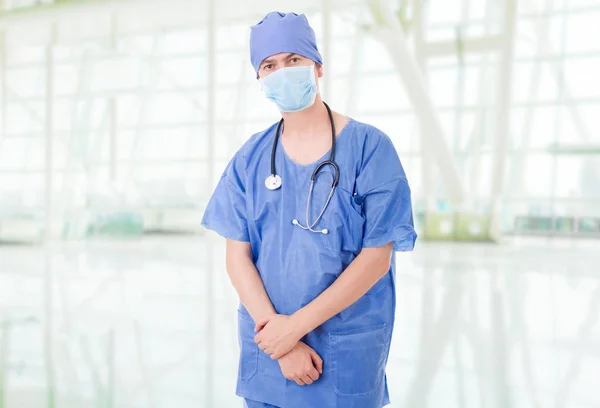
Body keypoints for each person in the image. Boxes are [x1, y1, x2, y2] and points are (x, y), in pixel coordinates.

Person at [201, 11, 417, 408]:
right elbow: (238, 259)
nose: (282, 71)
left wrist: (293, 330)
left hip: (343, 350)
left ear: (317, 67)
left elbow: (376, 259)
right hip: (271, 354)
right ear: (261, 81)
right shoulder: (249, 159)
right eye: (269, 65)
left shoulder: (370, 149)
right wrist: (281, 343)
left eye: (293, 60)